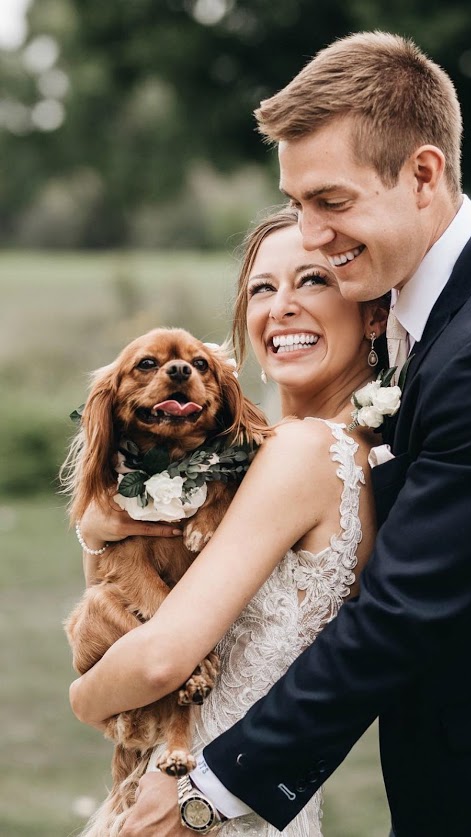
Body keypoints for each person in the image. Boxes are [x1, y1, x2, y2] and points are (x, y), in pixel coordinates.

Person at [86, 31, 471, 837]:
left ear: (424, 174)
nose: (311, 233)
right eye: (296, 205)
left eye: (331, 201)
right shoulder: (411, 317)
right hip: (454, 762)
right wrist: (105, 517)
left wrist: (209, 787)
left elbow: (403, 608)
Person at [68, 204, 390, 836]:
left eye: (314, 280)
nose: (282, 305)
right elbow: (123, 584)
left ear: (372, 310)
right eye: (262, 288)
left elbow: (158, 661)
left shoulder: (301, 452)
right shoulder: (352, 451)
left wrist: (82, 699)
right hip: (245, 801)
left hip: (188, 800)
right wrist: (98, 529)